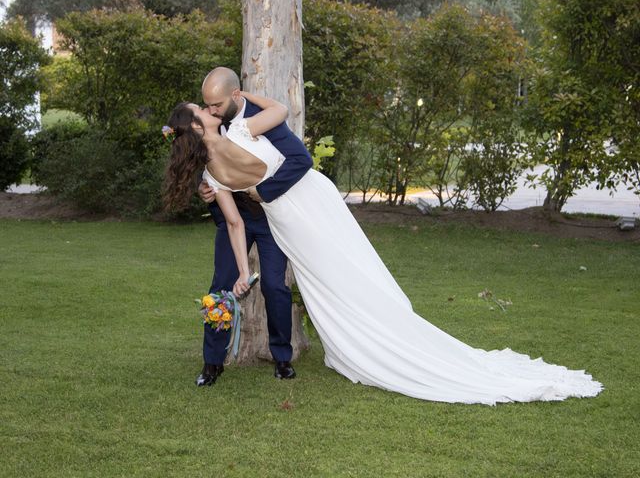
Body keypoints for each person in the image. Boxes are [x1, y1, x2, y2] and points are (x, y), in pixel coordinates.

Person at [163, 92, 603, 405]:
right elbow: (277, 115)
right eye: (203, 109)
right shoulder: (240, 130)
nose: (209, 107)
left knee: (338, 273)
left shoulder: (214, 171)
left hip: (293, 212)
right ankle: (365, 333)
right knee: (334, 277)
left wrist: (244, 271)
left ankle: (373, 330)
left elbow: (239, 218)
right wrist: (248, 94)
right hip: (302, 208)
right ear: (199, 127)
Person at [188, 68, 313, 386]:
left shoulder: (261, 119)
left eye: (215, 105)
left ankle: (282, 357)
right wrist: (206, 192)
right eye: (207, 106)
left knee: (274, 286)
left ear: (234, 95)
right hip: (232, 220)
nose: (211, 111)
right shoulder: (210, 127)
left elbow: (300, 160)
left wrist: (262, 192)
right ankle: (213, 362)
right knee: (220, 287)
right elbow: (208, 170)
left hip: (269, 219)